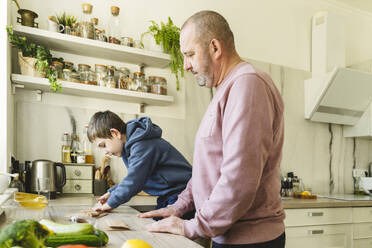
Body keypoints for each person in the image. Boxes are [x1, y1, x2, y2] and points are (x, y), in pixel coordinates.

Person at [138, 10, 286, 248]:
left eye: (189, 54)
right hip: (225, 235)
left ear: (215, 48)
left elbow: (239, 180)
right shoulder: (227, 89)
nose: (186, 65)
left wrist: (191, 227)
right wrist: (178, 206)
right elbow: (207, 169)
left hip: (250, 241)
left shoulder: (247, 85)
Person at [88, 111, 193, 219]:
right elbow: (137, 176)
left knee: (164, 230)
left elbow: (134, 181)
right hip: (170, 194)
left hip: (183, 194)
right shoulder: (131, 145)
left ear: (115, 133)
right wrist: (111, 193)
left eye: (104, 145)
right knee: (156, 223)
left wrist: (110, 203)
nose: (105, 151)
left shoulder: (141, 145)